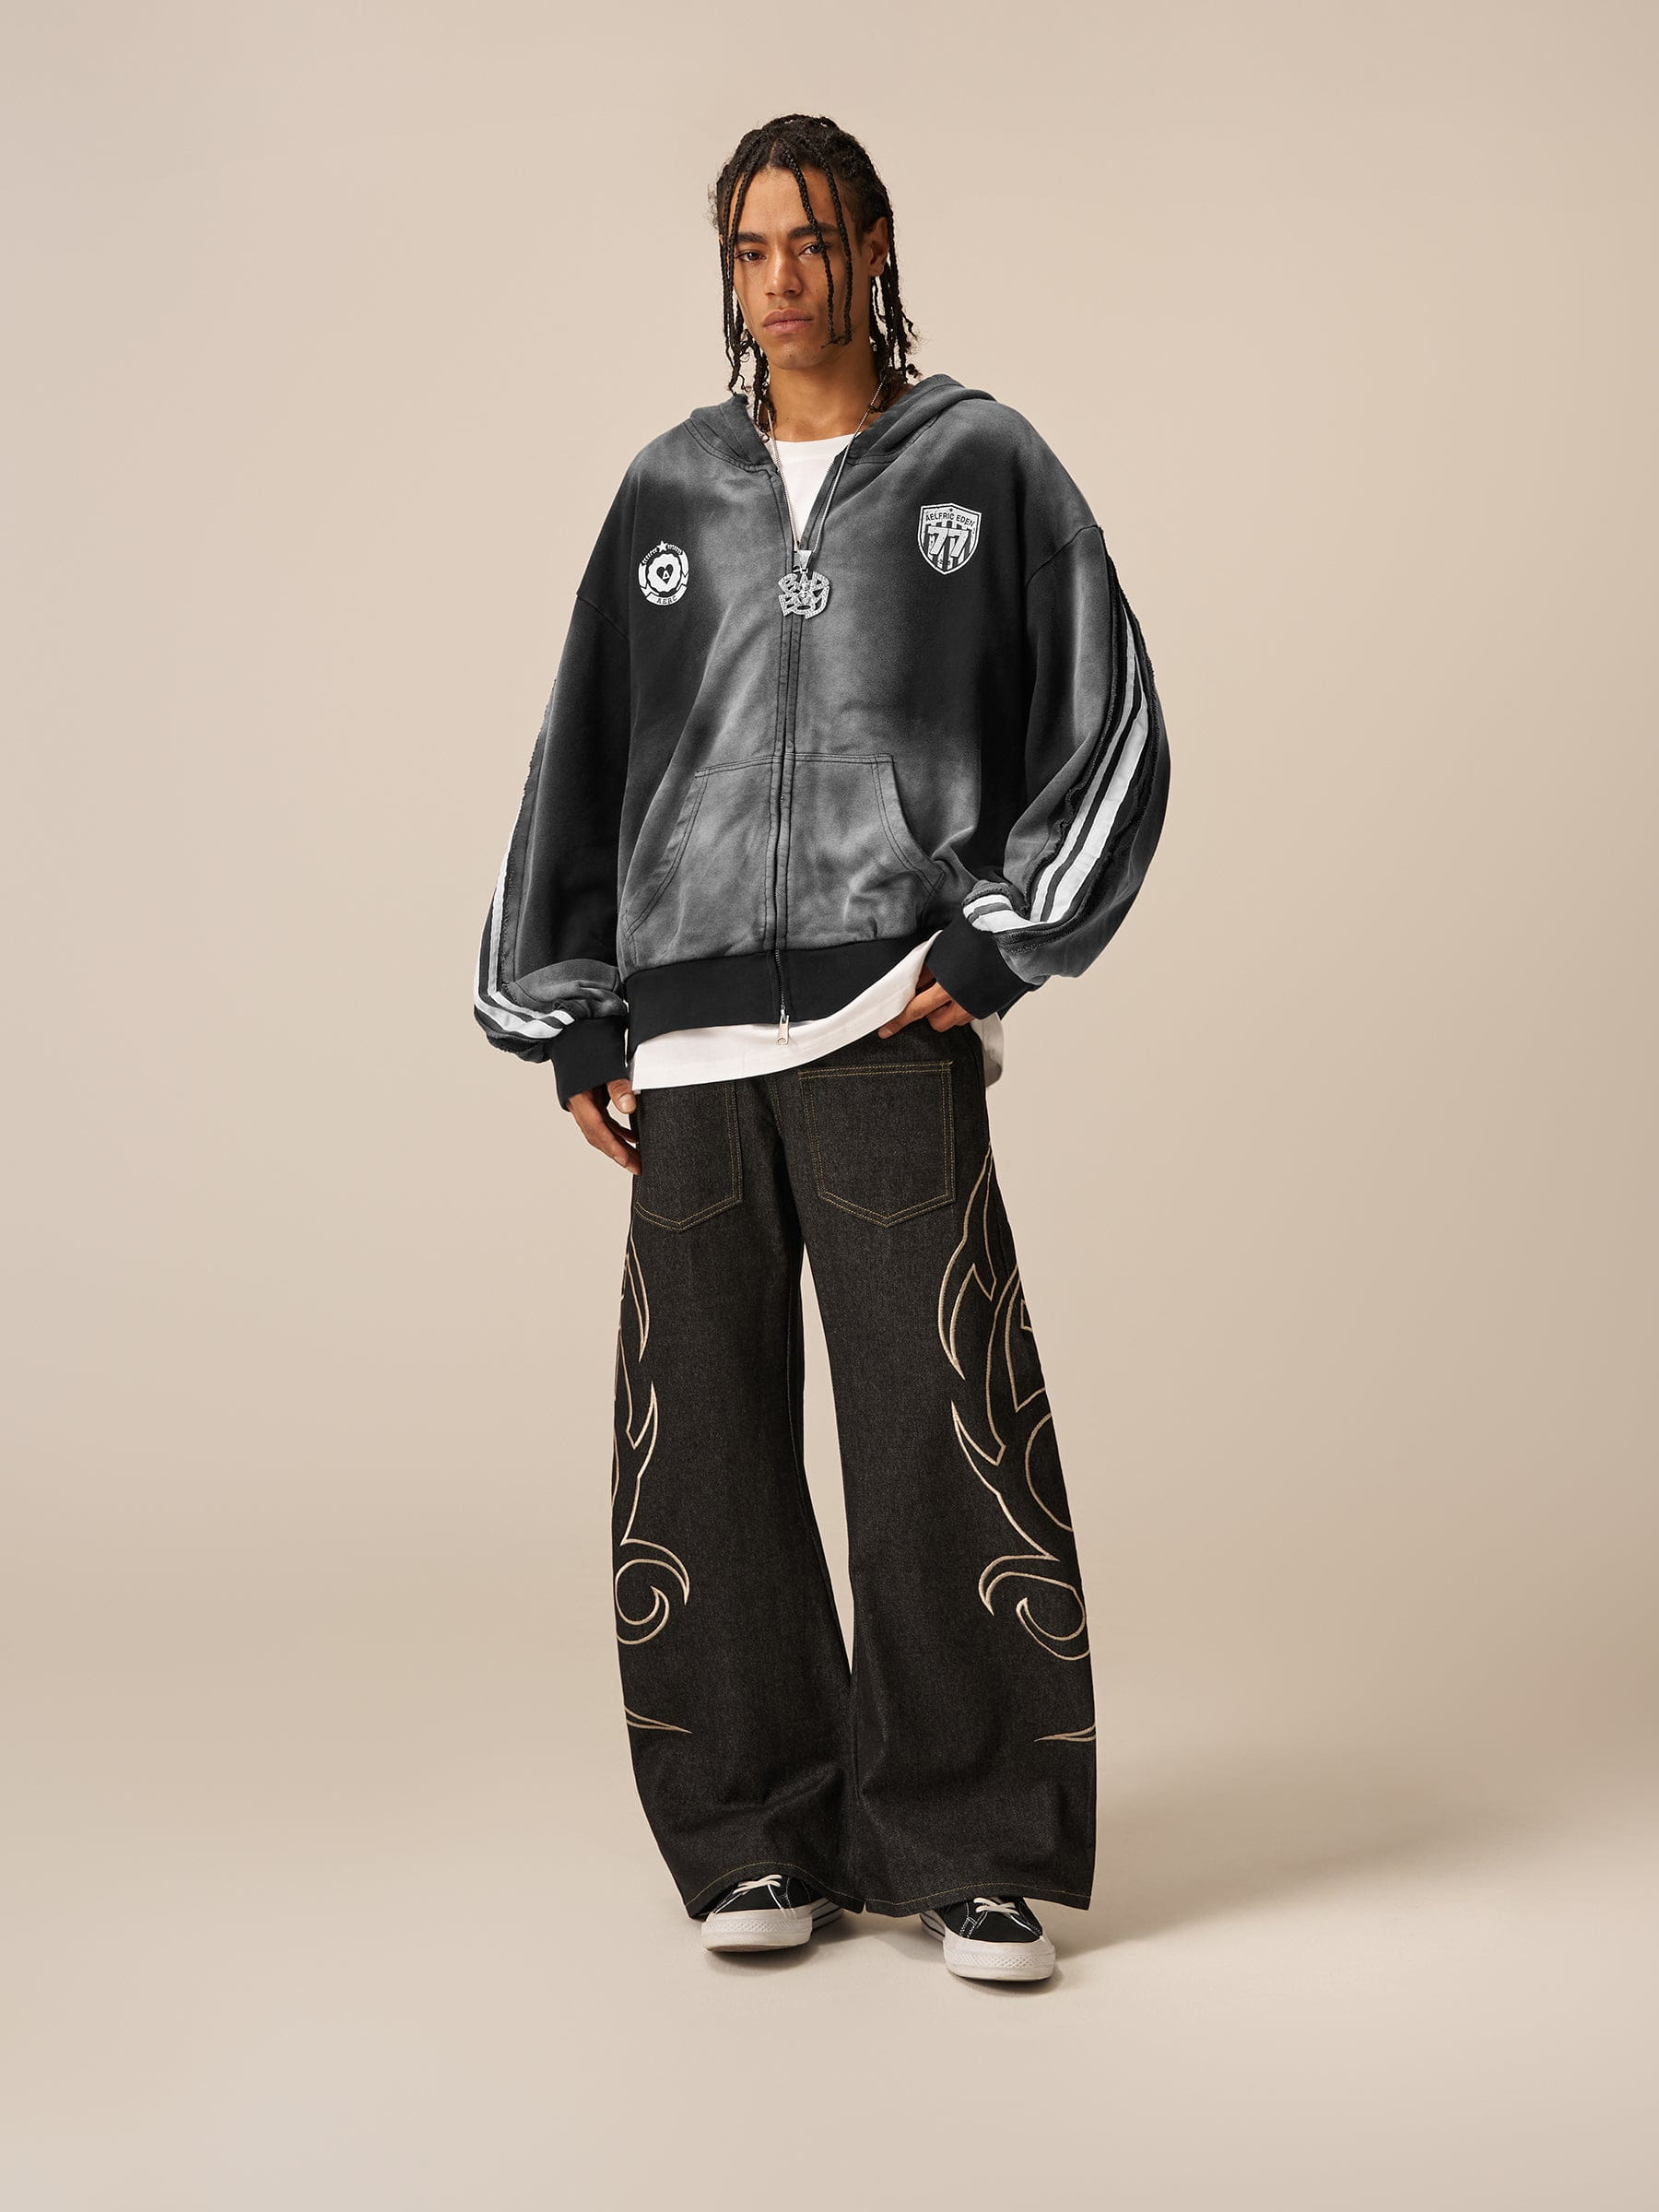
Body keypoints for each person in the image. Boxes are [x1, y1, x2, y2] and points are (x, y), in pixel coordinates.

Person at [474, 112, 1171, 1984]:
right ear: (729, 270)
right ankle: (754, 1837)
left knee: (936, 1428)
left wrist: (1005, 932)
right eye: (748, 248)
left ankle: (972, 1846)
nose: (779, 278)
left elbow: (1110, 712)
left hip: (885, 1016)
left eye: (811, 240)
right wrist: (575, 1005)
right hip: (689, 1043)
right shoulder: (667, 493)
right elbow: (584, 753)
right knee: (701, 1449)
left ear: (873, 247)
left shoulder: (982, 463)